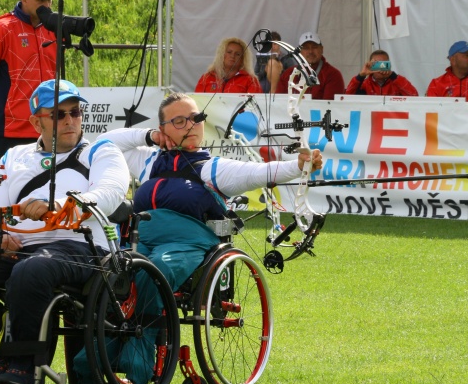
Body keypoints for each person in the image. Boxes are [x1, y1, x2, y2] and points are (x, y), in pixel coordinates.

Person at [0, 79, 130, 384]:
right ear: (35, 121)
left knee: (32, 268)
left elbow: (109, 193)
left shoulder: (101, 151)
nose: (70, 120)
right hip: (23, 251)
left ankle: (21, 366)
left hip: (82, 249)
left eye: (75, 112)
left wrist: (57, 206)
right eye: (58, 115)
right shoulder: (13, 156)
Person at [94, 92, 323, 297]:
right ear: (163, 128)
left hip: (185, 244)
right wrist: (148, 136)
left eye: (195, 118)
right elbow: (104, 143)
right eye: (179, 121)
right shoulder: (149, 161)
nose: (191, 126)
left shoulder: (213, 169)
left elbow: (259, 172)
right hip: (140, 239)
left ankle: (142, 338)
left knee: (156, 268)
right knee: (113, 270)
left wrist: (298, 166)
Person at [0, 0, 59, 166]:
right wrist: (1, 105)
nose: (47, 5)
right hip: (11, 131)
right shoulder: (1, 29)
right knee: (6, 190)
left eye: (50, 0)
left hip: (48, 127)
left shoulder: (53, 30)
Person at [276, 32, 344, 100]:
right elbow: (279, 103)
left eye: (314, 47)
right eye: (306, 48)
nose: (310, 51)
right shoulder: (288, 74)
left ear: (321, 49)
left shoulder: (333, 75)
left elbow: (329, 107)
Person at [195, 37, 263, 93]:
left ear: (243, 59)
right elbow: (196, 103)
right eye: (229, 52)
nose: (232, 56)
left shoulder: (251, 80)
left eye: (237, 54)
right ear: (222, 55)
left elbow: (255, 107)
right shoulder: (206, 78)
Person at [345, 50, 418, 96]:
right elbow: (347, 97)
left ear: (389, 65)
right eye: (376, 64)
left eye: (383, 64)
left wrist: (393, 76)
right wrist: (361, 76)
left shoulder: (397, 82)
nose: (380, 67)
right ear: (370, 65)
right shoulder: (364, 84)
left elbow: (414, 96)